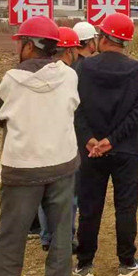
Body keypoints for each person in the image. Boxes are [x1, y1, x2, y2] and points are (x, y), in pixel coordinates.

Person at [0, 16, 78, 276]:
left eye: (21, 42)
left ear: (30, 45)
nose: (18, 48)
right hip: (61, 163)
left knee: (12, 233)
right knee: (61, 232)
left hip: (22, 168)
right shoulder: (69, 76)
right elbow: (73, 106)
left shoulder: (12, 80)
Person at [73, 13, 138, 276]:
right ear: (125, 42)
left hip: (91, 151)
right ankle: (126, 261)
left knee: (90, 206)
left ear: (104, 37)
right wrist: (114, 140)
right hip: (127, 150)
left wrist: (89, 138)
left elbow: (75, 106)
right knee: (126, 206)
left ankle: (84, 263)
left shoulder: (83, 69)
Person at [36, 26, 83, 253]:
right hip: (64, 143)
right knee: (67, 196)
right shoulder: (70, 76)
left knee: (43, 193)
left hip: (39, 142)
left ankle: (46, 236)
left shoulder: (36, 71)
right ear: (70, 50)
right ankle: (64, 239)